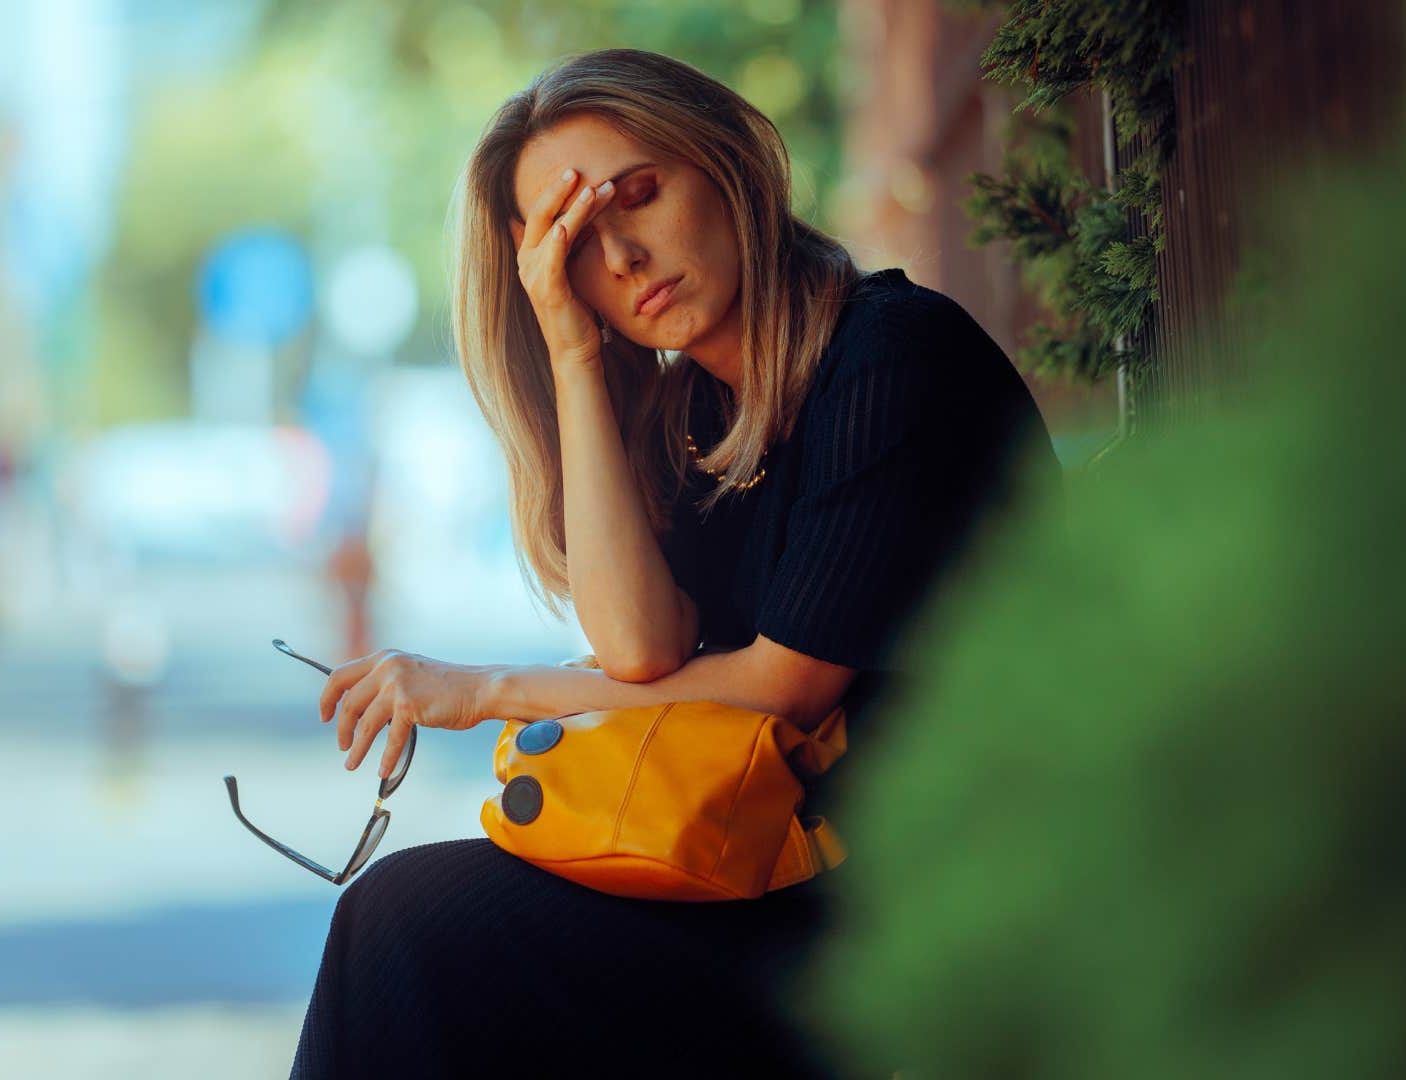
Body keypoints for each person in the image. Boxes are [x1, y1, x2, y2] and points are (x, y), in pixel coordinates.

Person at [289, 48, 1058, 1078]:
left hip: (933, 894)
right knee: (411, 929)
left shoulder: (894, 357)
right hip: (788, 873)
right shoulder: (695, 418)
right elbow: (642, 650)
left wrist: (481, 691)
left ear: (727, 159)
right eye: (579, 252)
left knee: (416, 930)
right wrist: (569, 352)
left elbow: (779, 689)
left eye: (638, 200)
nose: (627, 262)